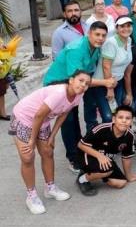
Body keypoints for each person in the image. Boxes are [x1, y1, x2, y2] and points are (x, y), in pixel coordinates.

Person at [10, 70, 90, 214]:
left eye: (87, 83)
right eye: (81, 80)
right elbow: (39, 115)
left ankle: (50, 188)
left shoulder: (79, 94)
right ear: (71, 80)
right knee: (28, 157)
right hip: (25, 117)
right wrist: (32, 141)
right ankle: (31, 196)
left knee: (47, 151)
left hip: (43, 121)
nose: (83, 85)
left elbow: (64, 113)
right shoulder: (59, 93)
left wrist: (52, 135)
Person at [43, 22, 112, 174]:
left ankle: (79, 148)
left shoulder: (95, 48)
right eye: (97, 34)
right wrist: (106, 82)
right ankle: (73, 158)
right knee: (68, 121)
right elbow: (79, 78)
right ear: (89, 34)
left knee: (73, 117)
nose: (100, 38)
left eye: (103, 35)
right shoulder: (76, 49)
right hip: (58, 83)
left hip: (73, 83)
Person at [76, 105, 136, 196]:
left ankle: (98, 173)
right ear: (114, 119)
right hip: (87, 154)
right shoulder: (101, 129)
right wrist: (99, 156)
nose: (124, 120)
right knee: (106, 171)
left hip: (105, 157)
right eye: (120, 117)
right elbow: (80, 145)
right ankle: (82, 179)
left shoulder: (130, 135)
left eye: (128, 118)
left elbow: (126, 158)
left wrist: (129, 176)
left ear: (131, 121)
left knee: (121, 183)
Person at [86, 16, 133, 133]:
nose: (126, 29)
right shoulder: (111, 43)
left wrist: (128, 92)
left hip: (118, 81)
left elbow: (126, 67)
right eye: (122, 26)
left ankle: (116, 139)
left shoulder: (129, 40)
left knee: (117, 114)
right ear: (116, 28)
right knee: (108, 116)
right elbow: (106, 67)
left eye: (128, 26)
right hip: (103, 83)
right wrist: (110, 89)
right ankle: (102, 141)